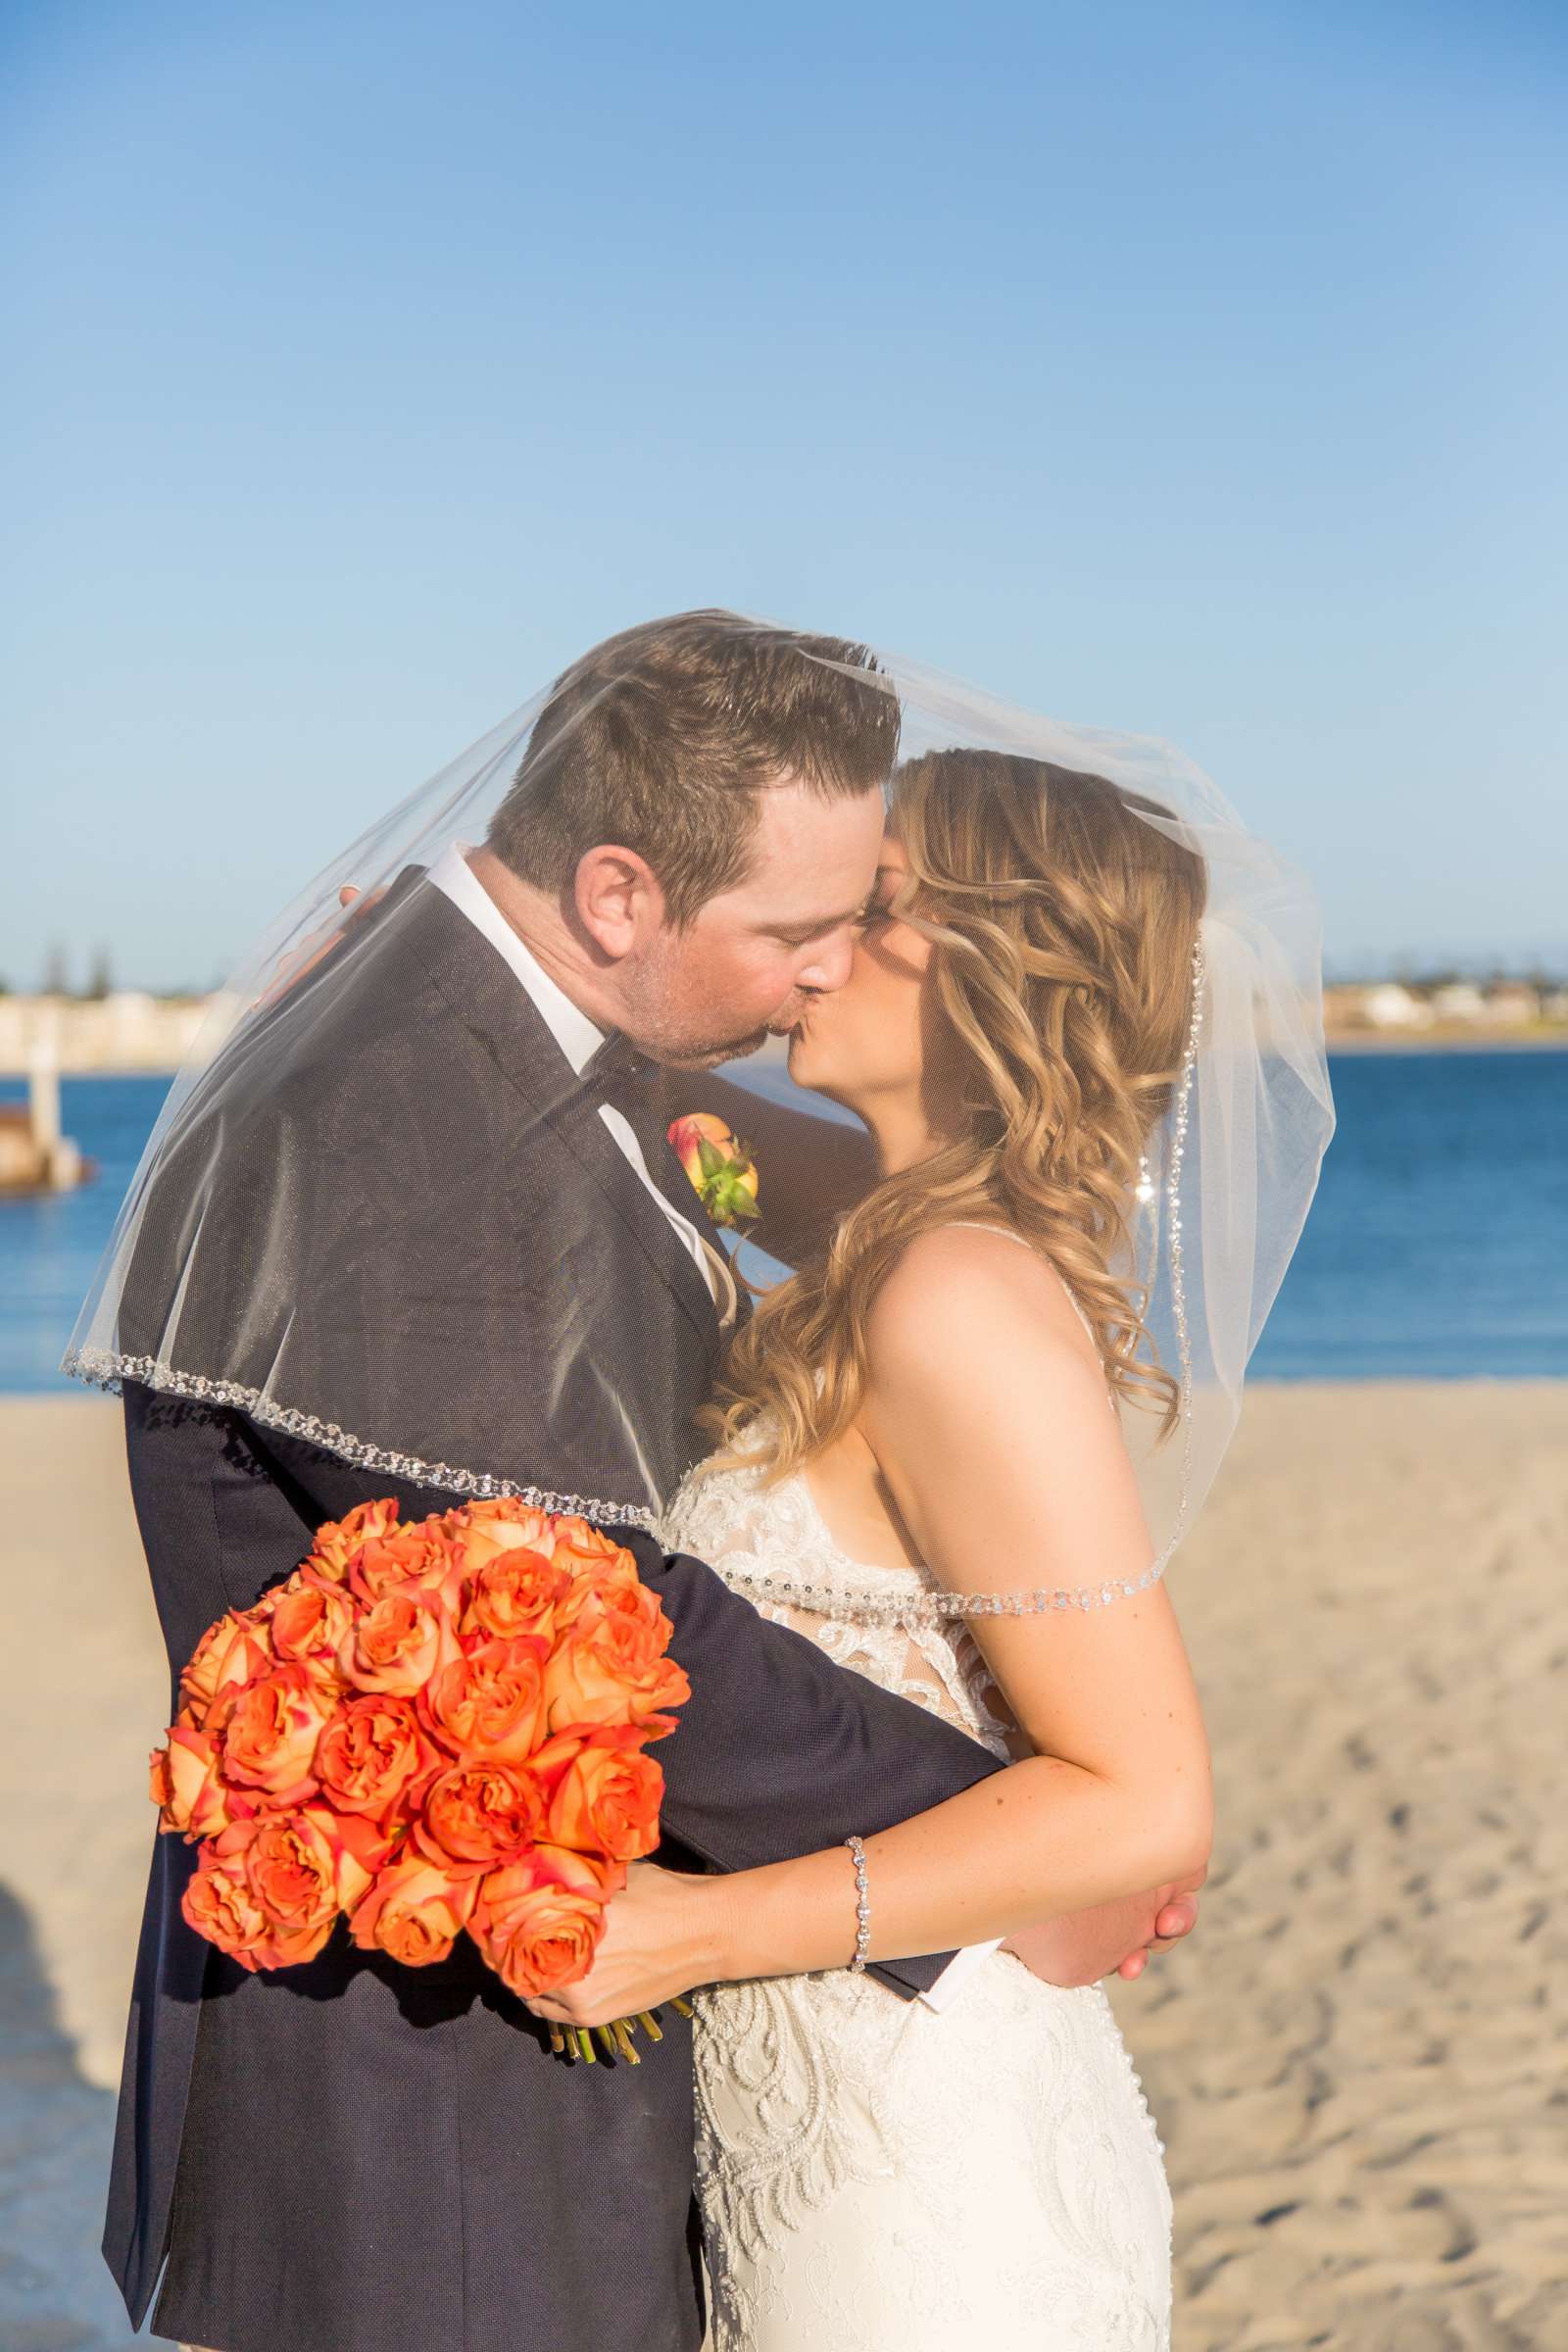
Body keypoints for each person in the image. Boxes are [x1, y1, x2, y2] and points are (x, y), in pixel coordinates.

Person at [70, 617, 1197, 2352]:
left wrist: (1057, 1832)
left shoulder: (861, 1229)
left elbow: (823, 1273)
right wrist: (1022, 1838)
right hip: (447, 2123)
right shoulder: (413, 1112)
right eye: (803, 927)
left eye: (857, 922)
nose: (816, 974)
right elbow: (586, 1600)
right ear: (615, 899)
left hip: (828, 2102)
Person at [521, 747, 1308, 2348]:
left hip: (916, 2175)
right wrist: (518, 987)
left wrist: (689, 1932)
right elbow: (696, 1132)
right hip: (822, 2115)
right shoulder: (880, 1224)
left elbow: (1150, 1799)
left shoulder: (954, 1296)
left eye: (869, 909)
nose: (811, 947)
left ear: (993, 973)